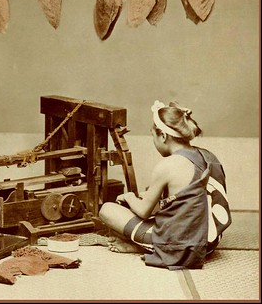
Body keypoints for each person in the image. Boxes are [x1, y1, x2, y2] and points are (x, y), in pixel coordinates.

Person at [99, 100, 231, 270]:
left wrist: (129, 197)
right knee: (148, 197)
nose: (154, 141)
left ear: (162, 135)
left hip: (182, 248)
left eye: (153, 136)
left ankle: (146, 247)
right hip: (210, 241)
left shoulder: (167, 165)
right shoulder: (208, 155)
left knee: (108, 210)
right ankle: (149, 244)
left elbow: (143, 212)